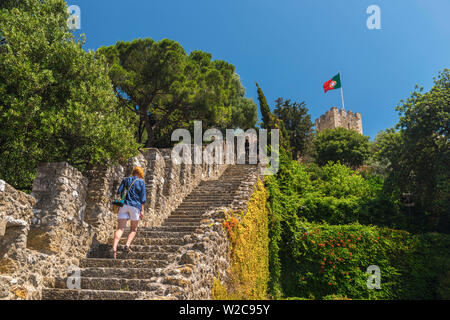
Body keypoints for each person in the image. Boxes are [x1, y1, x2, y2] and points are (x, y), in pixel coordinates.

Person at [111, 167, 146, 259]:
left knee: (120, 228)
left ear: (133, 172)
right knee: (133, 229)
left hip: (124, 205)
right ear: (140, 174)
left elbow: (119, 191)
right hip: (135, 206)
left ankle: (114, 247)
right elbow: (142, 198)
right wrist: (142, 210)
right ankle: (127, 245)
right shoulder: (141, 182)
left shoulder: (125, 180)